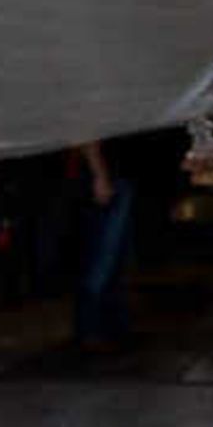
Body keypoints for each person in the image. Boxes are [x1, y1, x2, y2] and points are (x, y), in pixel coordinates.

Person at [67, 140, 136, 354]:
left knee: (110, 259)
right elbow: (86, 131)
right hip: (107, 178)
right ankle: (92, 329)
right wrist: (100, 174)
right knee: (102, 258)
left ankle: (106, 328)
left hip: (113, 176)